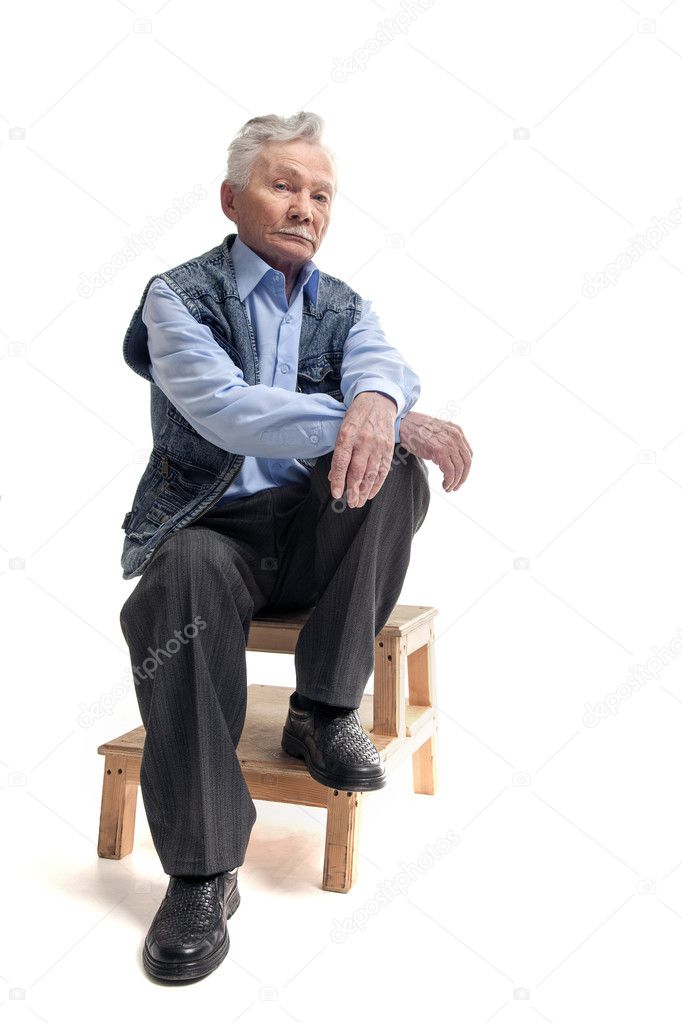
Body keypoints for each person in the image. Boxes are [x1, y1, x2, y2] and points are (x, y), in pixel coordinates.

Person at [118, 110, 473, 982]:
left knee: (392, 473)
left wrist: (381, 403)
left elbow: (385, 364)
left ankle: (323, 706)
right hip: (216, 531)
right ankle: (202, 872)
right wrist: (360, 413)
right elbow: (228, 407)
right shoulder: (178, 296)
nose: (305, 206)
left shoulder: (343, 304)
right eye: (284, 185)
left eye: (321, 194)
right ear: (234, 197)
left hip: (315, 536)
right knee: (185, 572)